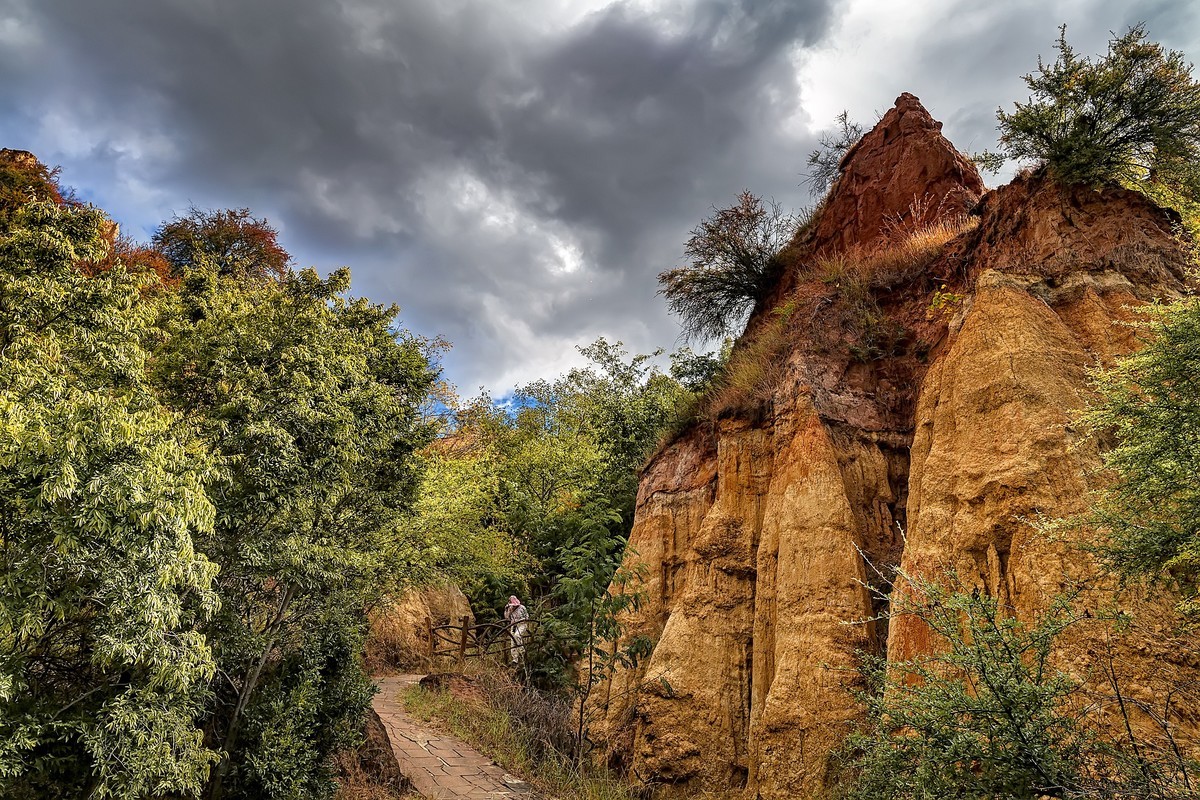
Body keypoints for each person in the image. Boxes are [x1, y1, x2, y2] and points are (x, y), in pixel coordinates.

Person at [503, 595, 529, 666]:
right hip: (513, 626)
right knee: (512, 640)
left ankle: (522, 653)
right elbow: (507, 617)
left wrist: (520, 620)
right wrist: (507, 610)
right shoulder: (510, 608)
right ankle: (515, 659)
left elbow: (527, 616)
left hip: (521, 624)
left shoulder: (522, 607)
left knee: (517, 636)